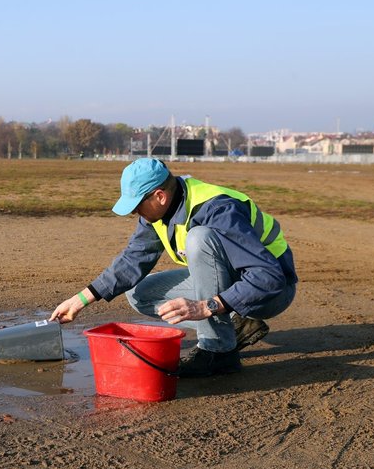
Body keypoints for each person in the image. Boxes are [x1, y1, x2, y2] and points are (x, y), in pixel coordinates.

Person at [50, 158, 297, 377]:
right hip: (230, 286)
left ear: (160, 196)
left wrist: (207, 306)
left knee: (199, 238)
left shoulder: (218, 210)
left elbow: (268, 277)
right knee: (139, 294)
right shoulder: (157, 214)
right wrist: (81, 299)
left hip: (270, 292)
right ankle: (235, 322)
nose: (135, 212)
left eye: (137, 204)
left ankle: (218, 353)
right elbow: (133, 259)